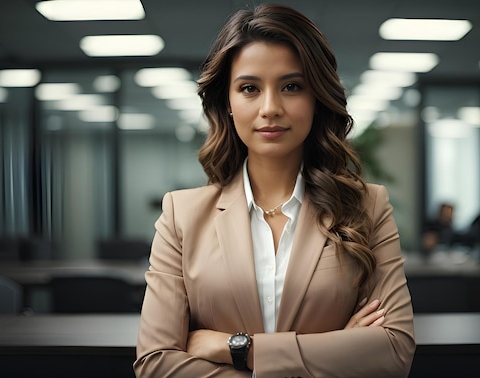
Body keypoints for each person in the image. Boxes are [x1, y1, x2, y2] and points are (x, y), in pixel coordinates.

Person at [133, 4, 415, 377]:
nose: (270, 108)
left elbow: (394, 352)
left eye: (292, 87)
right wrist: (331, 352)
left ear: (317, 98)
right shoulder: (181, 215)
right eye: (249, 88)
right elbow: (156, 364)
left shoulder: (367, 206)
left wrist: (236, 348)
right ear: (228, 103)